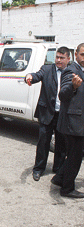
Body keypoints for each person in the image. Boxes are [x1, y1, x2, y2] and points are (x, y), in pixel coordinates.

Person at [25, 47, 70, 181]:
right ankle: (38, 169)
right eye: (57, 57)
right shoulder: (47, 69)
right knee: (43, 142)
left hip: (62, 114)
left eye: (62, 58)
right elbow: (36, 76)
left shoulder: (71, 72)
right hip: (47, 113)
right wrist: (29, 76)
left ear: (68, 59)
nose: (58, 60)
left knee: (61, 144)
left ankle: (58, 168)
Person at [51, 43, 84, 198]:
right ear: (76, 54)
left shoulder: (81, 70)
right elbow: (62, 95)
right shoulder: (71, 70)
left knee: (73, 155)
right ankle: (67, 189)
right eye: (83, 54)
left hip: (78, 122)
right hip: (72, 123)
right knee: (75, 157)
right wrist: (74, 87)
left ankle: (59, 178)